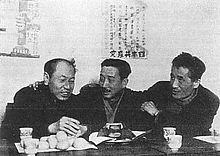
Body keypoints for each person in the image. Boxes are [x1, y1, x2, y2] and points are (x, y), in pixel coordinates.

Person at [1, 58, 87, 142]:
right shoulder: (27, 96)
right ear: (46, 78)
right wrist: (50, 128)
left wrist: (84, 129)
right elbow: (8, 132)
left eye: (71, 81)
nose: (68, 87)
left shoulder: (74, 100)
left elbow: (94, 121)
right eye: (62, 80)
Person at [141, 52, 219, 136]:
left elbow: (189, 129)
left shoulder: (209, 100)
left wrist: (157, 113)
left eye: (180, 79)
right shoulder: (161, 88)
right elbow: (136, 99)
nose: (174, 85)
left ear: (196, 82)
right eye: (172, 77)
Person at [78, 59, 153, 132]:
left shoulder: (134, 100)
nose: (104, 85)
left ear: (124, 82)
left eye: (111, 80)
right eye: (102, 79)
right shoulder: (89, 96)